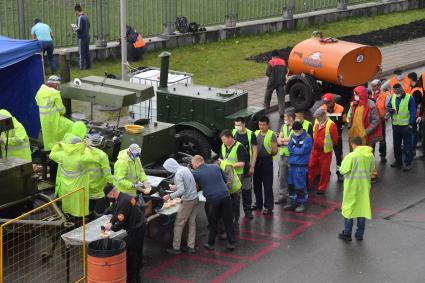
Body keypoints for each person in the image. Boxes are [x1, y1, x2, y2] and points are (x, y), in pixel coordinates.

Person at [191, 155, 236, 251]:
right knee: (228, 221)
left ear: (196, 163)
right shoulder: (215, 166)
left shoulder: (195, 173)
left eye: (192, 164)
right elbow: (224, 180)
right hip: (226, 196)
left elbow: (194, 187)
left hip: (212, 200)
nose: (192, 166)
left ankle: (211, 243)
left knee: (213, 222)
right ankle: (231, 243)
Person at [104, 184, 146, 283]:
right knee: (137, 250)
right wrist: (111, 221)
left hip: (136, 229)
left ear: (112, 193)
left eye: (109, 196)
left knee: (132, 252)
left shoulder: (123, 202)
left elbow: (122, 221)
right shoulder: (124, 197)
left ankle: (132, 276)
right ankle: (137, 270)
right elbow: (117, 211)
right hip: (140, 225)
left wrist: (112, 228)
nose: (109, 199)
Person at [49, 122, 91, 218]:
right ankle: (79, 221)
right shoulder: (83, 156)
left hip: (65, 182)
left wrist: (59, 145)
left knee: (67, 203)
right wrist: (88, 145)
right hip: (79, 186)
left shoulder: (64, 151)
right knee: (78, 207)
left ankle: (67, 215)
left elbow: (52, 154)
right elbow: (96, 158)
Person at [338, 137, 375, 242]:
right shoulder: (370, 155)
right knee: (361, 210)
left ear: (353, 144)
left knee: (349, 210)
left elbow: (342, 171)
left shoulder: (351, 156)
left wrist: (342, 162)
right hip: (364, 187)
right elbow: (372, 169)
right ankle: (359, 234)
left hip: (352, 187)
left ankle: (347, 233)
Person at [162, 158, 199, 255]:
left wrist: (169, 196)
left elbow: (181, 191)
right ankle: (191, 246)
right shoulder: (185, 168)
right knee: (192, 223)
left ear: (170, 167)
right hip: (195, 198)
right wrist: (176, 187)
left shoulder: (178, 174)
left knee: (179, 223)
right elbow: (190, 183)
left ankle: (176, 248)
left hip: (187, 201)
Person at [35, 75, 74, 151]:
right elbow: (61, 110)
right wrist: (64, 111)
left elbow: (37, 102)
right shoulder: (55, 93)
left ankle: (50, 149)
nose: (57, 86)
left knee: (49, 136)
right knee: (71, 125)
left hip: (43, 119)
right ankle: (65, 145)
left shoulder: (40, 90)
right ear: (54, 84)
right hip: (54, 119)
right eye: (57, 84)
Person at [220, 129, 247, 226]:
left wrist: (229, 166)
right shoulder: (223, 146)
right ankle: (228, 218)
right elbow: (221, 159)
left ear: (230, 138)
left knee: (236, 198)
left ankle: (236, 220)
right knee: (228, 199)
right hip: (226, 175)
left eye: (224, 139)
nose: (222, 141)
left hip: (237, 175)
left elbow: (242, 163)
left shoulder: (239, 147)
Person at [308, 108, 338, 194]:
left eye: (318, 117)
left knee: (324, 171)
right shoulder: (317, 122)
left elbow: (335, 140)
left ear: (324, 116)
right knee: (311, 167)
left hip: (325, 152)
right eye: (316, 117)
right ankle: (309, 185)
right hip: (315, 150)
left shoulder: (331, 125)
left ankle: (321, 188)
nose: (317, 119)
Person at [284, 121, 312, 213]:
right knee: (291, 185)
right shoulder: (293, 135)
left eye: (296, 130)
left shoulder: (307, 138)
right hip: (292, 164)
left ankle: (301, 203)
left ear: (301, 129)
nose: (295, 132)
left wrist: (294, 150)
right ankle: (293, 202)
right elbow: (289, 147)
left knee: (300, 185)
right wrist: (297, 150)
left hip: (301, 165)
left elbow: (302, 151)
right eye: (294, 130)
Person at [387, 83, 416, 171]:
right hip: (396, 125)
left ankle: (408, 163)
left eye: (399, 93)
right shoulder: (393, 97)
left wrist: (411, 124)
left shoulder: (409, 98)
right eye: (396, 93)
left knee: (407, 145)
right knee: (396, 145)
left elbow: (413, 112)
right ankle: (398, 161)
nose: (397, 95)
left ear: (402, 90)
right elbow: (388, 106)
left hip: (406, 126)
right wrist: (390, 110)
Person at [233, 117, 258, 219]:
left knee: (247, 189)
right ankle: (236, 213)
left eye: (239, 124)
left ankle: (248, 210)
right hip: (237, 167)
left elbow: (255, 151)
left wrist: (252, 166)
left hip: (247, 166)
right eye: (236, 124)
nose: (237, 127)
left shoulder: (251, 134)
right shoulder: (233, 132)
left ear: (244, 124)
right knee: (236, 191)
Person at [253, 116, 278, 214]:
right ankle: (258, 203)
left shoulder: (271, 135)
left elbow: (275, 150)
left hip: (266, 161)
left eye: (263, 125)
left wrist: (268, 156)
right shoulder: (255, 133)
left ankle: (268, 206)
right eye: (260, 124)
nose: (261, 126)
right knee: (256, 184)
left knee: (267, 185)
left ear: (268, 125)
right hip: (256, 161)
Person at [347, 86, 382, 153]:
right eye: (354, 94)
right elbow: (351, 116)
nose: (354, 96)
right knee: (356, 153)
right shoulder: (355, 104)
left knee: (367, 154)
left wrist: (366, 132)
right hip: (355, 134)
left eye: (356, 94)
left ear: (361, 94)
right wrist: (350, 126)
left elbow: (376, 121)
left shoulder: (371, 105)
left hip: (366, 135)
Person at [320, 93, 346, 182]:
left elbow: (343, 122)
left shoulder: (341, 109)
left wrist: (339, 131)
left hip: (337, 137)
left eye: (328, 102)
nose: (327, 104)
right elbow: (319, 123)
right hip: (326, 137)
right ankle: (326, 172)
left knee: (339, 155)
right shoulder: (322, 109)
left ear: (333, 101)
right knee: (325, 156)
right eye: (325, 102)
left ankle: (339, 173)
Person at [276, 110, 295, 204]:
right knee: (282, 177)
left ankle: (292, 196)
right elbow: (279, 140)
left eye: (285, 117)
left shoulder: (296, 127)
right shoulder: (283, 126)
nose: (284, 119)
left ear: (291, 118)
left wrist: (282, 140)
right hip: (283, 155)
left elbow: (291, 140)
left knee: (292, 177)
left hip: (292, 156)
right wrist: (283, 140)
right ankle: (283, 196)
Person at [370, 79, 391, 163]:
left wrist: (386, 117)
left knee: (382, 139)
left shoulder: (386, 95)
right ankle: (371, 155)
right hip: (372, 120)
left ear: (379, 86)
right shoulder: (372, 94)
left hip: (381, 120)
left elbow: (389, 108)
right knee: (372, 139)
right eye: (372, 86)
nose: (372, 88)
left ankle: (382, 155)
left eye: (374, 86)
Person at [264, 50, 287, 117]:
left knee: (268, 94)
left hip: (272, 82)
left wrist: (271, 76)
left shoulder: (271, 62)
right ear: (278, 56)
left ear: (272, 56)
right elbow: (286, 71)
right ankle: (281, 112)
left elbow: (267, 73)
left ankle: (266, 108)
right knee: (281, 98)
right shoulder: (283, 62)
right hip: (281, 82)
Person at [407, 72, 424, 156]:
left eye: (408, 79)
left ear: (410, 79)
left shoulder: (416, 90)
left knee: (413, 132)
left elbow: (414, 104)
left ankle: (413, 150)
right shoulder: (416, 87)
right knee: (415, 131)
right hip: (417, 113)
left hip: (415, 114)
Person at [72, 4, 91, 70]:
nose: (75, 13)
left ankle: (81, 67)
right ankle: (88, 65)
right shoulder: (86, 16)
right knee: (87, 52)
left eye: (75, 12)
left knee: (81, 52)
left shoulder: (80, 17)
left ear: (77, 11)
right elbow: (89, 25)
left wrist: (74, 28)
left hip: (82, 38)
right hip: (87, 36)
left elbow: (79, 28)